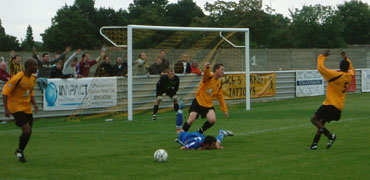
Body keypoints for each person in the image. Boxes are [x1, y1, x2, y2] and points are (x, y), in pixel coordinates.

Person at [307, 50, 354, 150]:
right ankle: (314, 145)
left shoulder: (336, 75)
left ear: (340, 67)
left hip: (330, 104)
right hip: (339, 107)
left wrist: (322, 56)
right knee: (321, 123)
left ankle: (330, 136)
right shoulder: (350, 75)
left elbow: (320, 68)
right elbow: (351, 68)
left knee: (314, 119)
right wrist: (346, 58)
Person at [2, 58, 39, 163]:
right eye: (35, 65)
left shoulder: (32, 78)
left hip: (27, 108)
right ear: (29, 66)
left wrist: (35, 104)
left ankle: (19, 150)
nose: (37, 67)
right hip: (16, 107)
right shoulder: (17, 78)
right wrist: (6, 108)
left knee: (28, 132)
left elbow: (30, 92)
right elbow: (5, 93)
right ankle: (20, 152)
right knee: (27, 129)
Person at [182, 62, 228, 134]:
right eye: (222, 69)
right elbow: (205, 75)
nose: (223, 71)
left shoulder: (219, 83)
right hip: (198, 102)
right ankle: (181, 136)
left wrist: (225, 109)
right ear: (216, 70)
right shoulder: (209, 77)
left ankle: (199, 132)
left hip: (208, 105)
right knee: (191, 119)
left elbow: (220, 97)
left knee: (212, 120)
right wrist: (207, 68)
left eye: (223, 70)